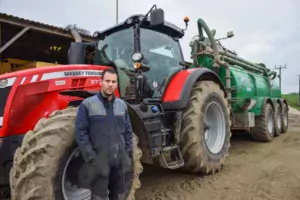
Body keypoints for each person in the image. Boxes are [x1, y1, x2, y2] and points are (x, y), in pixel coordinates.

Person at [75, 67, 133, 200]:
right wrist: (91, 158)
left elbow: (128, 132)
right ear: (101, 82)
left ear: (117, 84)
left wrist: (128, 154)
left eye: (113, 81)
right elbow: (81, 133)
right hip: (99, 162)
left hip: (118, 162)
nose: (110, 84)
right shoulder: (88, 104)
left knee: (118, 195)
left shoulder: (122, 105)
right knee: (99, 196)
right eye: (107, 81)